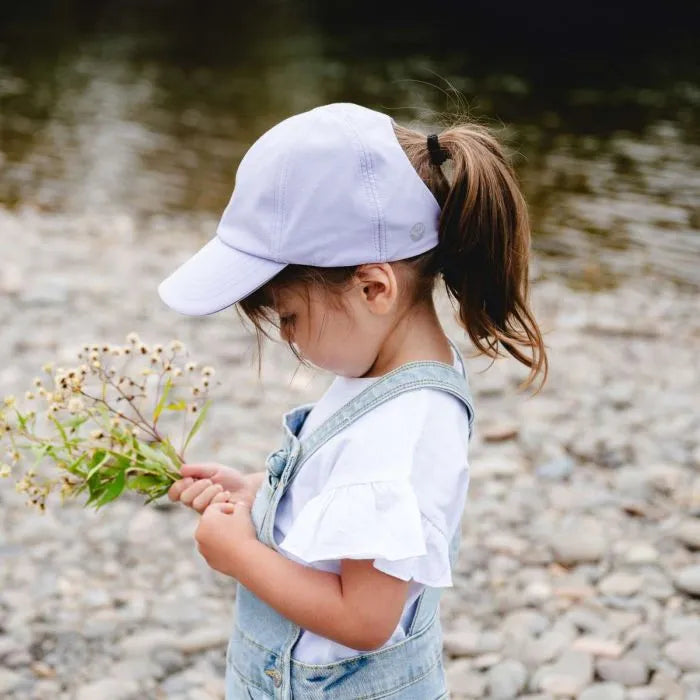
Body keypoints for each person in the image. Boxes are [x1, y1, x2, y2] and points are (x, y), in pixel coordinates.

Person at [160, 102, 548, 699]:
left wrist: (240, 556)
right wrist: (261, 501)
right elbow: (340, 505)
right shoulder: (384, 371)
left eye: (288, 317)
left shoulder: (404, 428)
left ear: (373, 287)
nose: (286, 338)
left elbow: (364, 620)